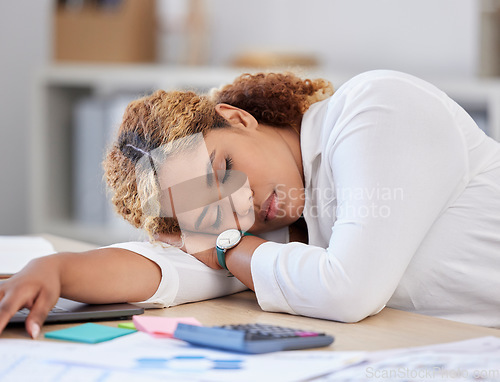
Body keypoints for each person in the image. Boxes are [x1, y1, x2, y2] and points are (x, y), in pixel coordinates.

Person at [1, 70, 500, 340]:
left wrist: (220, 246)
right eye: (207, 204)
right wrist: (57, 270)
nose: (240, 204)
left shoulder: (375, 108)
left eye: (222, 170)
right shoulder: (278, 220)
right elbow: (176, 268)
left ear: (236, 118)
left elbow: (348, 290)